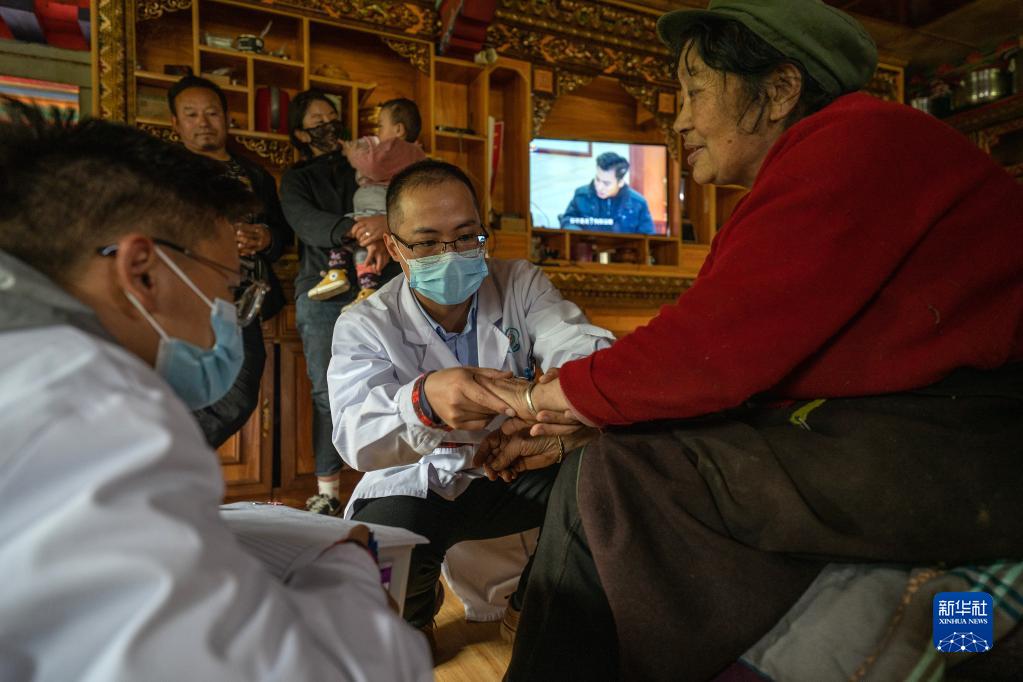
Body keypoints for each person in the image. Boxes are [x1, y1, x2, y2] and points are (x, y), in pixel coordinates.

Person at [473, 1, 1023, 679]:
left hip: (968, 445)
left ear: (781, 89)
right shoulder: (825, 160)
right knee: (612, 465)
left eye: (695, 91)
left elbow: (710, 350)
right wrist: (585, 419)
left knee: (613, 477)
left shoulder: (859, 140)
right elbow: (750, 358)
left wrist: (535, 400)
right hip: (906, 430)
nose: (680, 120)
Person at [0, 102, 431, 680]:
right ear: (143, 272)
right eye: (228, 289)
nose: (231, 314)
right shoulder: (96, 410)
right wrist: (349, 568)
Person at [326, 159, 614, 642]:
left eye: (465, 237)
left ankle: (534, 605)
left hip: (514, 464)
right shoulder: (366, 323)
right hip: (420, 477)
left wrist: (545, 398)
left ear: (485, 233)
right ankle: (416, 609)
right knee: (383, 545)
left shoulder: (519, 282)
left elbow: (579, 347)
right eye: (427, 243)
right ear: (394, 247)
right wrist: (423, 403)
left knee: (609, 473)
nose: (451, 254)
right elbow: (355, 437)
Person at [280, 90, 403, 515]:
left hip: (380, 284)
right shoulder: (296, 178)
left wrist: (387, 225)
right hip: (322, 290)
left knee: (392, 378)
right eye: (316, 120)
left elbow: (400, 200)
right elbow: (305, 222)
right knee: (325, 390)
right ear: (300, 133)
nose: (327, 124)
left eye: (331, 116)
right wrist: (358, 229)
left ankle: (392, 481)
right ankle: (328, 491)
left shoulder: (369, 165)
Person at [168, 74, 291, 447]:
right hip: (181, 297)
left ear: (225, 118)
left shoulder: (254, 175)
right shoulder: (164, 171)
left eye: (211, 113)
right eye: (191, 114)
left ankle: (172, 458)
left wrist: (266, 237)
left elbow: (283, 232)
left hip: (242, 301)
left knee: (237, 395)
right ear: (176, 123)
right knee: (179, 391)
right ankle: (170, 463)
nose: (203, 122)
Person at [340, 97, 426, 308]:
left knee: (357, 236)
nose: (377, 132)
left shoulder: (396, 146)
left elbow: (373, 166)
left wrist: (352, 153)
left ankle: (351, 278)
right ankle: (366, 287)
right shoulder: (417, 153)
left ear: (398, 129)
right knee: (367, 242)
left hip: (379, 204)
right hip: (391, 210)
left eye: (380, 126)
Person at [559, 151, 655, 233]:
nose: (599, 187)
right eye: (597, 179)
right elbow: (567, 221)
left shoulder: (638, 203)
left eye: (606, 183)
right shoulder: (581, 195)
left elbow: (647, 235)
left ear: (620, 182)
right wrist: (579, 235)